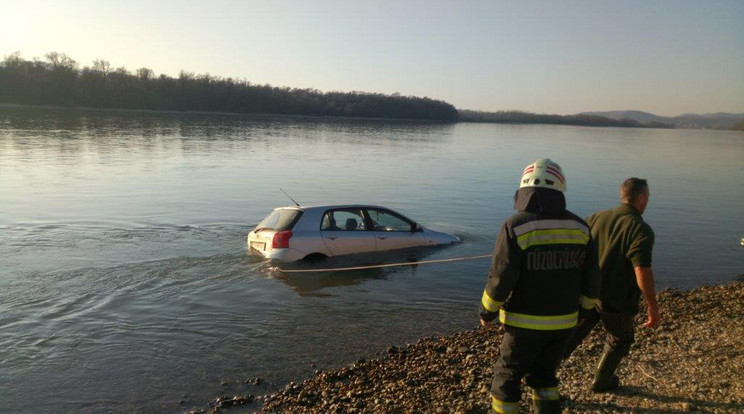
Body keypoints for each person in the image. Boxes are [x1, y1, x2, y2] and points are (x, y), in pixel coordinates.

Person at [480, 158, 600, 414]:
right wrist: (584, 311)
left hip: (523, 324)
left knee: (508, 376)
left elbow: (501, 276)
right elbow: (591, 279)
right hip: (564, 323)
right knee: (545, 376)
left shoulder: (515, 226)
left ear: (523, 191)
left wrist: (487, 311)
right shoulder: (580, 227)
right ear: (560, 190)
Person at [562, 177, 660, 392]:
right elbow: (641, 270)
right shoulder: (640, 228)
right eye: (648, 197)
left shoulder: (597, 217)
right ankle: (601, 380)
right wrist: (652, 306)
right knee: (621, 337)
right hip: (616, 300)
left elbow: (575, 250)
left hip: (587, 293)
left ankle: (543, 373)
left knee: (574, 333)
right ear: (641, 198)